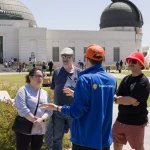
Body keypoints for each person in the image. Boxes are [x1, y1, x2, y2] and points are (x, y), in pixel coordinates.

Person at [41, 44, 117, 150]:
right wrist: (76, 94)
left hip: (85, 139)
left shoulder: (85, 79)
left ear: (86, 59)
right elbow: (98, 98)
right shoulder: (112, 80)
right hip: (104, 139)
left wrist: (57, 107)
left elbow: (77, 112)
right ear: (102, 59)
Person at [113, 52, 150, 150]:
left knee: (138, 147)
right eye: (129, 61)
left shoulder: (143, 81)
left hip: (136, 122)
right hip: (120, 120)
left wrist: (126, 100)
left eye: (133, 61)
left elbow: (130, 100)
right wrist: (121, 100)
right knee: (116, 145)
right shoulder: (126, 79)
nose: (130, 63)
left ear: (141, 64)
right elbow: (116, 96)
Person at [45, 47, 81, 150]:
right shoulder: (57, 72)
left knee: (76, 138)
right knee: (56, 139)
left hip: (73, 112)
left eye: (68, 57)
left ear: (72, 57)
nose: (65, 59)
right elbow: (53, 89)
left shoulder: (79, 73)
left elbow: (84, 93)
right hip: (58, 111)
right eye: (63, 56)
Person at [14, 68, 52, 150]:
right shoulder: (23, 91)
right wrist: (36, 122)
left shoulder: (44, 93)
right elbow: (23, 109)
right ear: (30, 77)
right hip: (24, 129)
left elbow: (49, 110)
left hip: (39, 130)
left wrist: (41, 119)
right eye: (37, 76)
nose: (39, 78)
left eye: (41, 76)